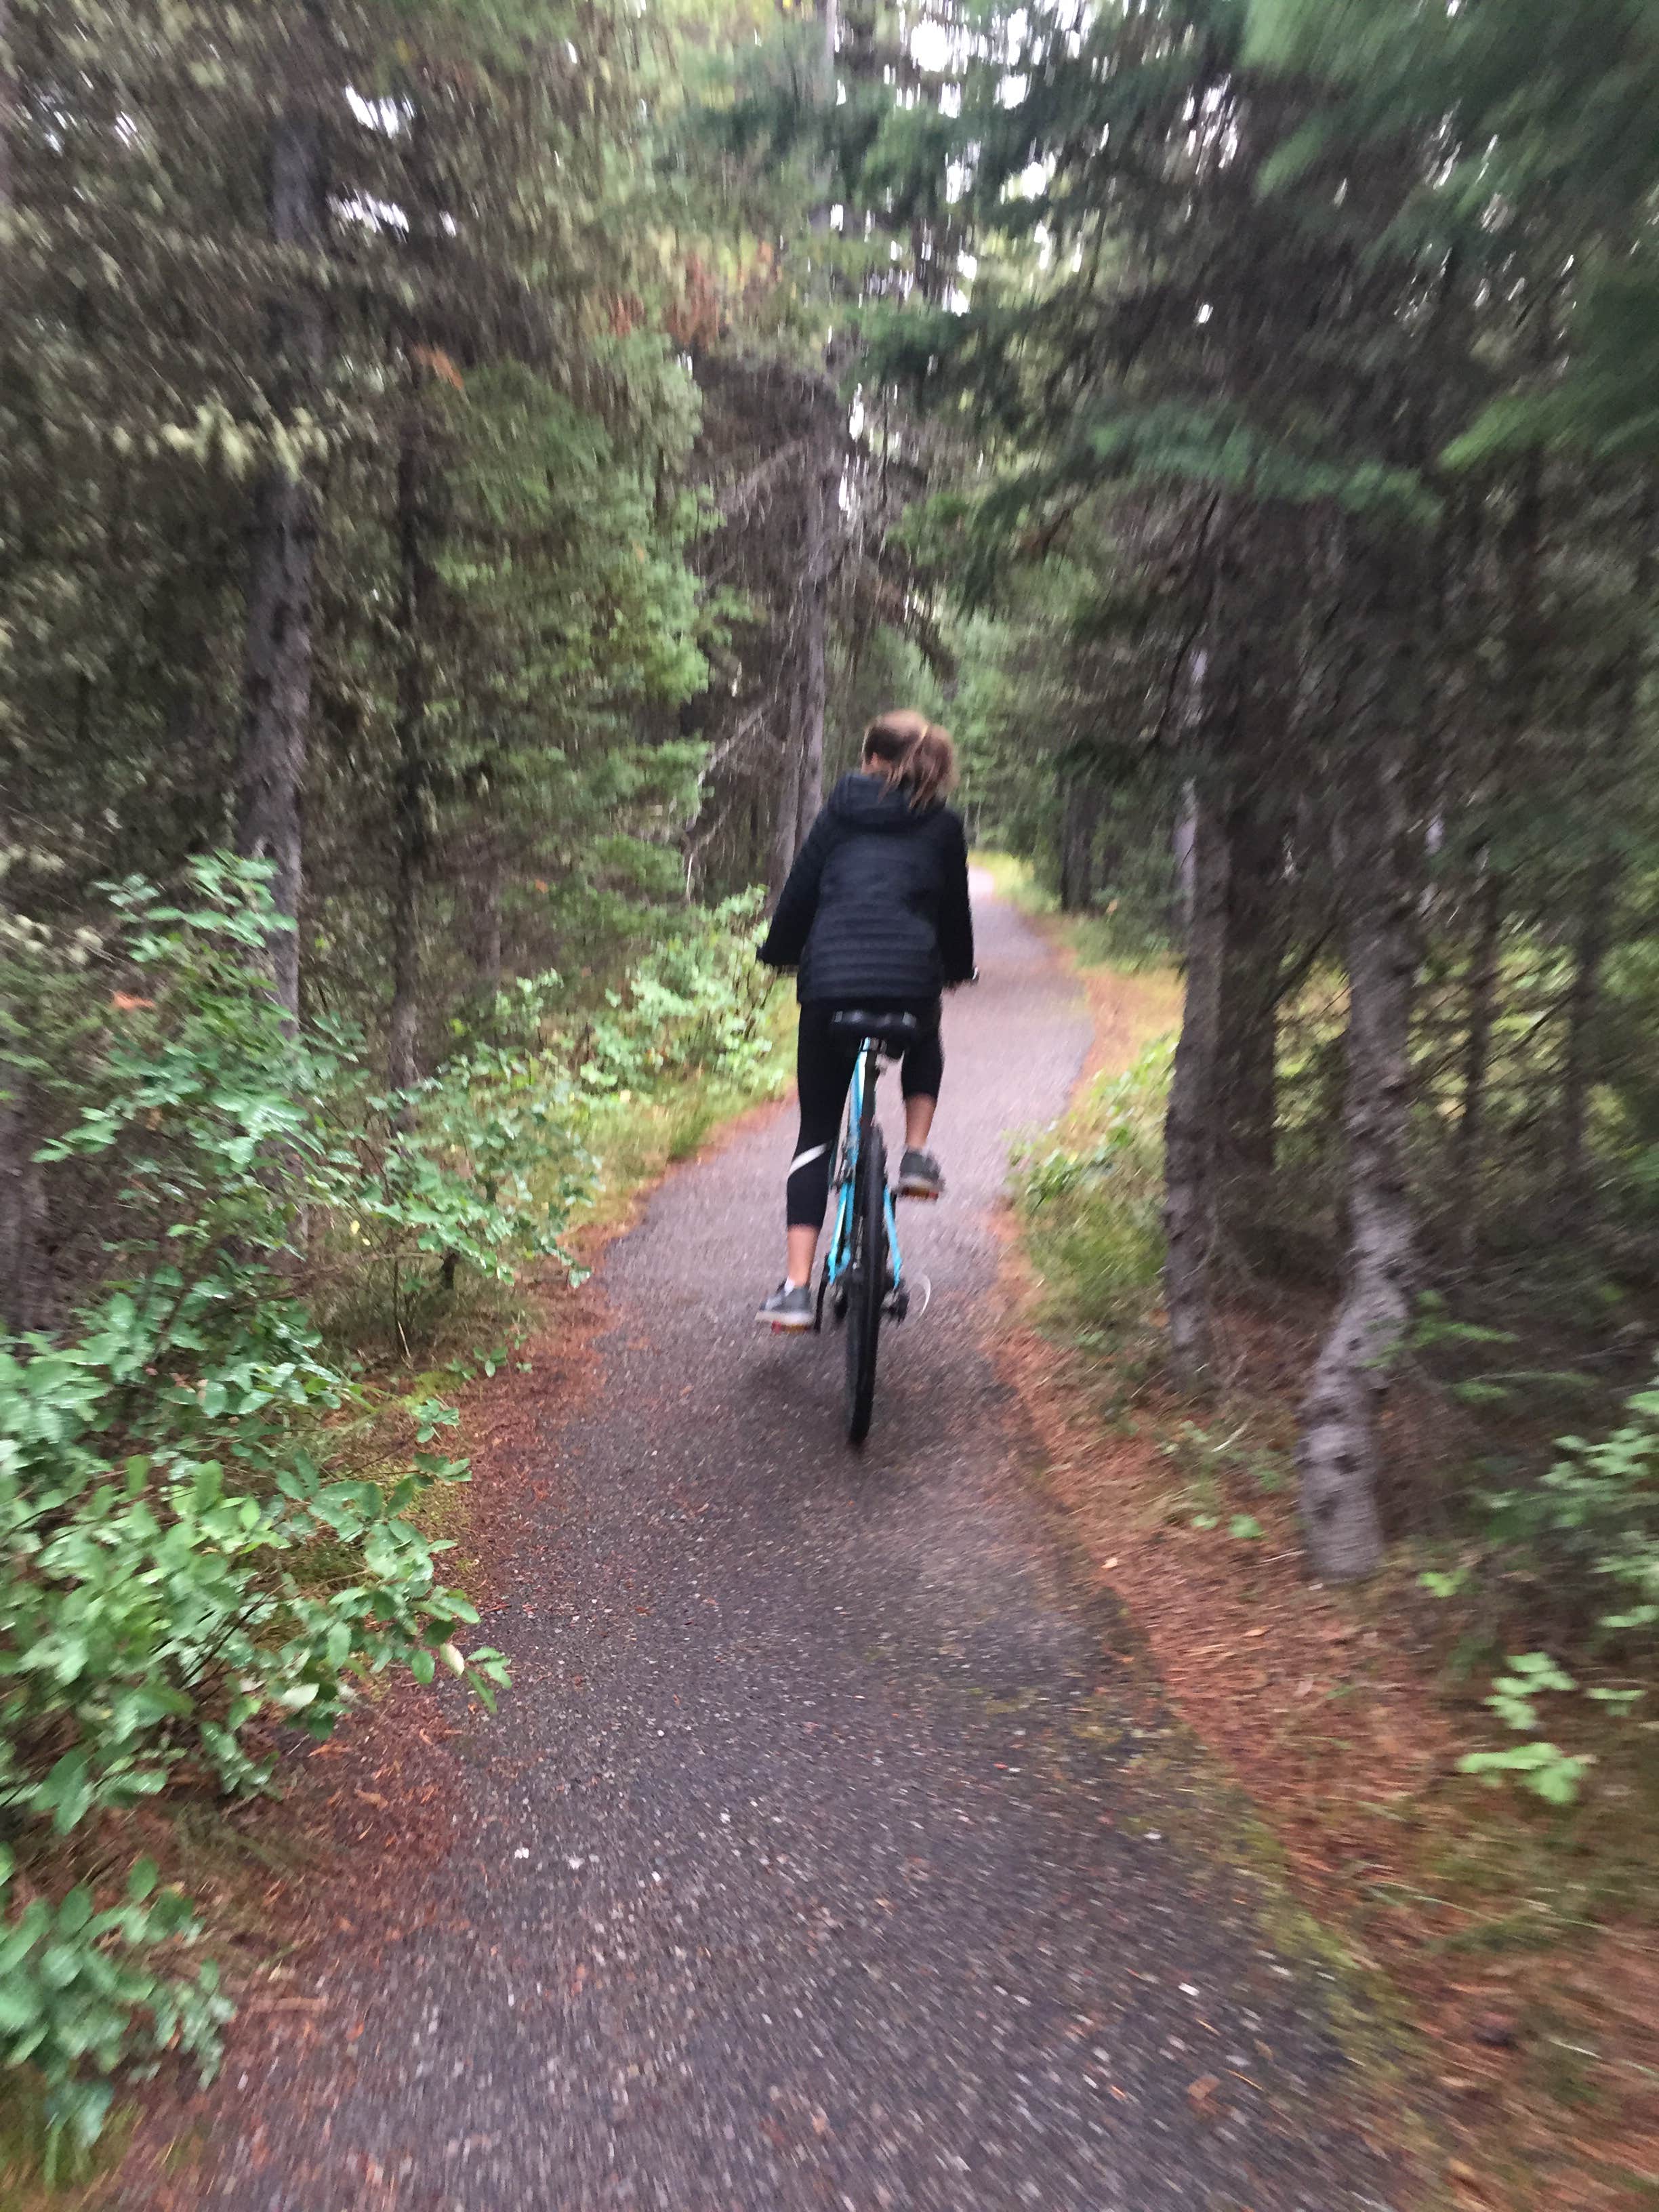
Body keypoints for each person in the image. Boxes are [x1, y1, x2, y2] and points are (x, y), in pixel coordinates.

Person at [755, 709, 975, 1328]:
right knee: (926, 1027)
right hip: (909, 984)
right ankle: (914, 1153)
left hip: (829, 987)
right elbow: (953, 913)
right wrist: (956, 968)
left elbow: (800, 894)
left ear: (870, 759)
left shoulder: (839, 812)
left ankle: (797, 1288)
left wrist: (777, 952)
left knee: (818, 1132)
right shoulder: (943, 824)